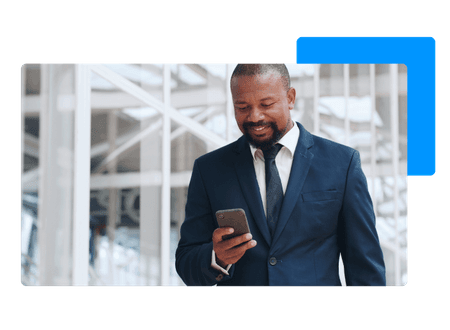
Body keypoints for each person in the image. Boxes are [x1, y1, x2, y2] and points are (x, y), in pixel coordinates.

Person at [175, 63, 386, 287]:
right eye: (242, 107)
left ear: (290, 98)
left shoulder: (342, 164)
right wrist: (217, 258)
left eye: (266, 104)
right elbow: (186, 264)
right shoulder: (209, 170)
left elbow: (366, 270)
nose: (255, 117)